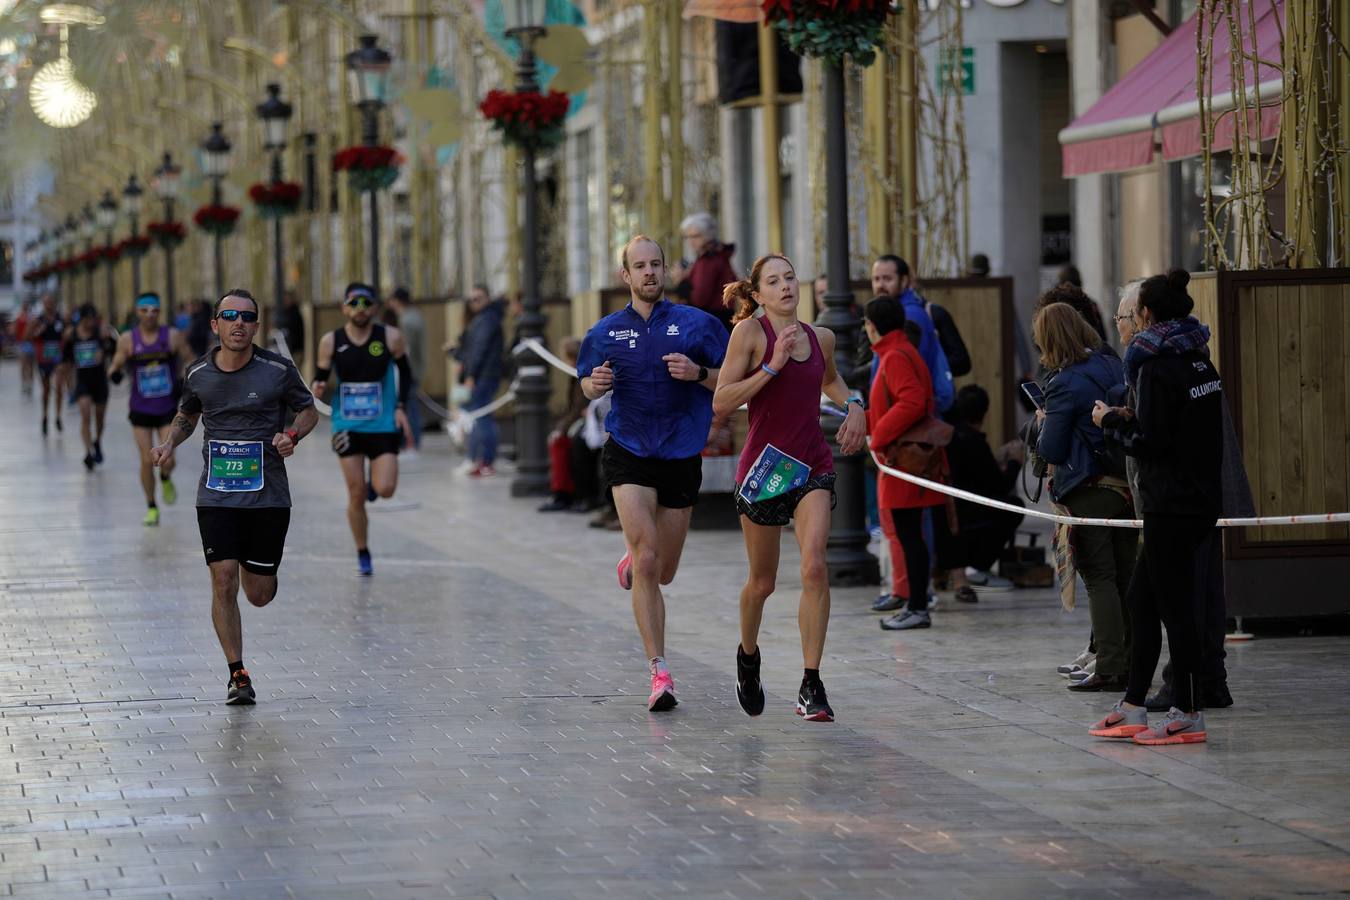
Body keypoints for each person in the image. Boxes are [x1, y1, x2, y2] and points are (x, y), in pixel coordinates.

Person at [713, 254, 867, 722]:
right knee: (763, 582)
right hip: (764, 471)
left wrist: (855, 403)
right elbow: (721, 400)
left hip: (811, 466)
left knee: (815, 567)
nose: (785, 286)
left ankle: (811, 683)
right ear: (757, 294)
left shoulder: (822, 336)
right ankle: (748, 655)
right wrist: (773, 366)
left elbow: (831, 379)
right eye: (773, 281)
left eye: (790, 277)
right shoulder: (750, 335)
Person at [576, 235, 727, 712]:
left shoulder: (697, 325)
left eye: (656, 264)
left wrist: (699, 374)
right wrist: (592, 384)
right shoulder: (605, 331)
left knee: (663, 570)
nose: (649, 273)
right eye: (639, 266)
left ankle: (636, 560)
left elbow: (735, 382)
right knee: (646, 559)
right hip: (629, 449)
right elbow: (585, 382)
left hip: (682, 452)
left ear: (666, 271)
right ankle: (659, 672)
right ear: (625, 276)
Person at [151, 288, 318, 705]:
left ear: (256, 326)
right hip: (217, 495)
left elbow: (309, 409)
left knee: (257, 594)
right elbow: (187, 414)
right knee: (222, 578)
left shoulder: (277, 370)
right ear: (215, 325)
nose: (238, 323)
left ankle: (261, 572)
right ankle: (237, 674)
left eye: (246, 316)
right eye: (229, 316)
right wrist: (171, 442)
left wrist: (292, 434)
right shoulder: (198, 372)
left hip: (268, 495)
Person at [1087, 270, 1227, 744]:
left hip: (1171, 503)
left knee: (1175, 609)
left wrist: (1109, 421)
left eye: (1129, 313)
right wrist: (1135, 416)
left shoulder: (1154, 366)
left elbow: (1150, 442)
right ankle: (1132, 704)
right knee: (1142, 600)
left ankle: (1187, 709)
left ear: (1145, 315)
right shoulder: (1199, 360)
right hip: (1199, 499)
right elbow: (1181, 429)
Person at [1033, 302, 1136, 693]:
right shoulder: (1112, 364)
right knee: (1126, 577)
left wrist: (1043, 425)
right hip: (1126, 485)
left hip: (1089, 491)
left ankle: (1110, 664)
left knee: (1099, 578)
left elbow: (1054, 450)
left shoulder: (1063, 383)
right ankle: (1129, 660)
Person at [311, 283, 416, 577]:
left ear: (374, 308)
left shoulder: (390, 337)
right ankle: (363, 551)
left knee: (386, 488)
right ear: (344, 308)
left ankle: (375, 485)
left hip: (382, 423)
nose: (360, 309)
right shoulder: (331, 341)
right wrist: (317, 387)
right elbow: (320, 376)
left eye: (365, 303)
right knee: (355, 493)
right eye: (353, 303)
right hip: (348, 424)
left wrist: (401, 407)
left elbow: (406, 373)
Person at [866, 295, 945, 631]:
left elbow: (910, 401)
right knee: (911, 535)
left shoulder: (895, 355)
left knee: (909, 536)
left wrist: (878, 435)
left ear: (873, 326)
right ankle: (915, 603)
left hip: (904, 459)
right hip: (906, 458)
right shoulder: (900, 350)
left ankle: (916, 606)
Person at [931, 385, 1024, 602]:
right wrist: (1014, 463)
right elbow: (998, 485)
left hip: (949, 511)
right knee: (1013, 507)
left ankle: (956, 572)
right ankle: (976, 568)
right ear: (983, 413)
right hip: (968, 513)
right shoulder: (972, 441)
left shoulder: (950, 436)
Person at [108, 292, 194, 525]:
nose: (149, 315)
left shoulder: (172, 336)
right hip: (140, 408)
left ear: (160, 312)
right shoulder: (128, 339)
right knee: (147, 460)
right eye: (144, 310)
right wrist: (114, 372)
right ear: (137, 312)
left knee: (168, 459)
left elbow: (189, 359)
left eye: (154, 310)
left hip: (167, 406)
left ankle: (165, 477)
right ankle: (152, 506)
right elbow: (116, 361)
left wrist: (189, 377)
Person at [869, 255, 954, 412]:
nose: (880, 285)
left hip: (907, 420)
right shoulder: (893, 312)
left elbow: (908, 387)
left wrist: (881, 431)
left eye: (887, 279)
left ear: (904, 281)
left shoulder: (909, 317)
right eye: (876, 279)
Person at [456, 285, 505, 476]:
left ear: (488, 299)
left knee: (480, 417)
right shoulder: (485, 318)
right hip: (483, 374)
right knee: (479, 417)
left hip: (483, 376)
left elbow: (479, 350)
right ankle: (480, 460)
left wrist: (471, 375)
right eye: (471, 299)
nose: (474, 303)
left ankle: (483, 461)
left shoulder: (487, 319)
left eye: (478, 298)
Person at [64, 304, 117, 470]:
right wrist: (69, 385)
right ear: (80, 319)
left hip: (100, 381)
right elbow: (67, 361)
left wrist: (106, 349)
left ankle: (97, 441)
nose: (90, 324)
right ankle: (87, 452)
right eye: (87, 320)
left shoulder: (101, 333)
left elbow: (115, 351)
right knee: (86, 417)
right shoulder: (71, 335)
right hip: (83, 383)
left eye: (92, 320)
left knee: (99, 418)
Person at [539, 337, 589, 512]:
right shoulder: (575, 374)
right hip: (579, 420)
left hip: (588, 422)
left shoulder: (582, 373)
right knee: (558, 441)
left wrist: (562, 428)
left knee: (563, 443)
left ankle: (566, 494)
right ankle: (561, 491)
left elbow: (579, 407)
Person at [670, 212, 737, 332]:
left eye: (695, 236)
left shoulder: (708, 260)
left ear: (708, 235)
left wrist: (681, 282)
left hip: (713, 321)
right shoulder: (718, 255)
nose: (691, 241)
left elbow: (699, 299)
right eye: (688, 237)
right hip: (721, 319)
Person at [387, 287, 426, 453]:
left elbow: (405, 349)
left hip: (409, 369)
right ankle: (412, 441)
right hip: (416, 367)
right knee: (411, 405)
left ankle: (412, 441)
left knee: (409, 407)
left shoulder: (407, 321)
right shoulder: (415, 316)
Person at [31, 294, 67, 435]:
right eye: (46, 303)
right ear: (43, 304)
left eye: (51, 302)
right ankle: (45, 415)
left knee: (59, 387)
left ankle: (58, 416)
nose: (49, 305)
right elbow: (28, 336)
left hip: (57, 357)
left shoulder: (60, 319)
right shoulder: (38, 320)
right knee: (46, 390)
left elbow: (66, 334)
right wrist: (38, 332)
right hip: (44, 358)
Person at [277, 289, 306, 370]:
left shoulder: (294, 313)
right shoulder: (285, 312)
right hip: (288, 350)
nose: (285, 301)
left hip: (295, 350)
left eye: (287, 299)